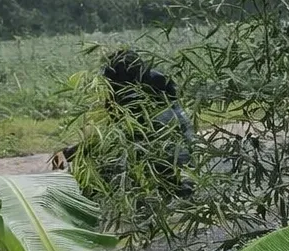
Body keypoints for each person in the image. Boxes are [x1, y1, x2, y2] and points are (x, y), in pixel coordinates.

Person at [55, 48, 195, 192]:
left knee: (103, 170)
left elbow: (117, 142)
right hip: (187, 162)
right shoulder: (157, 83)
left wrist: (73, 152)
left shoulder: (133, 99)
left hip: (170, 169)